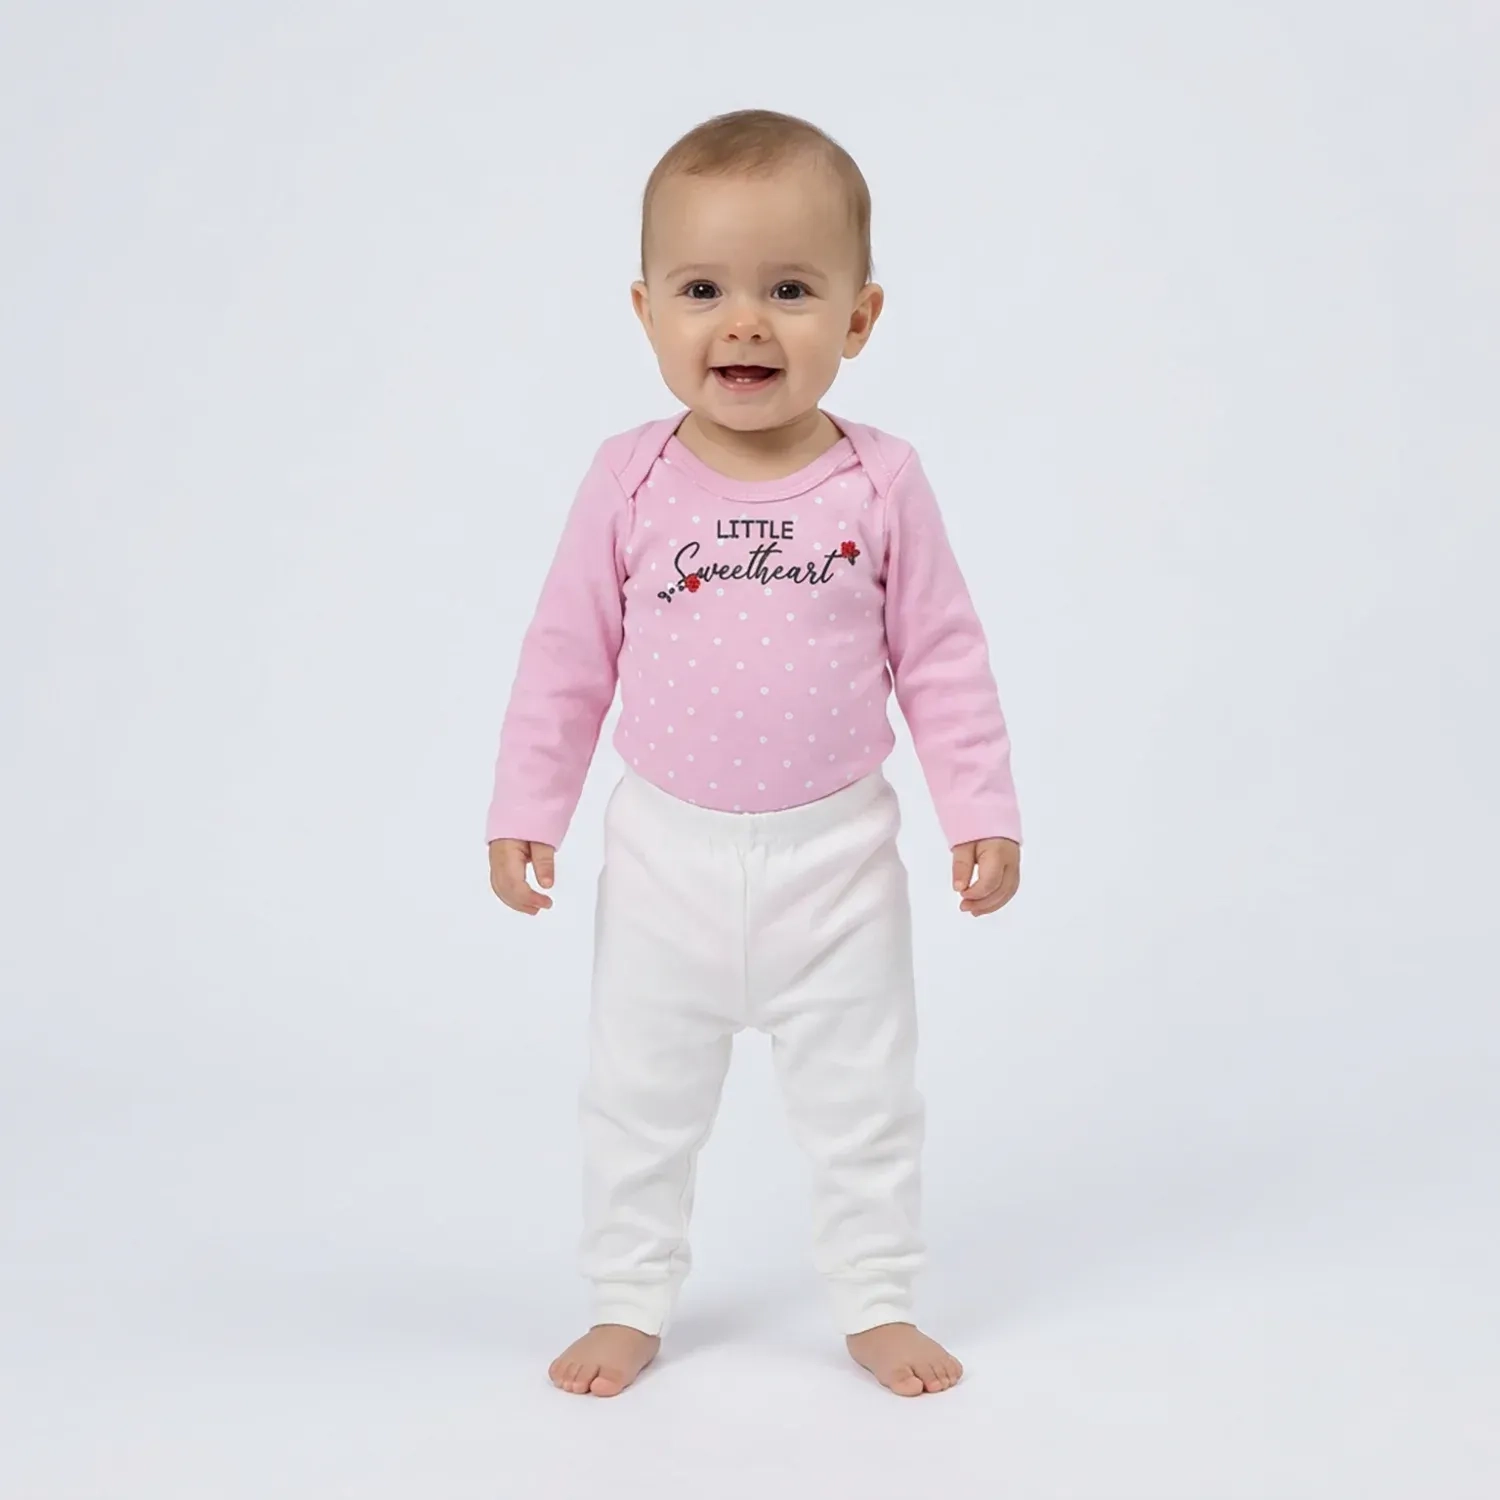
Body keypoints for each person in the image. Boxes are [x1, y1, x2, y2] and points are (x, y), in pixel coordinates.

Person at [486, 108, 1022, 1398]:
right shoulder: (629, 479)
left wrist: (982, 809)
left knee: (864, 1101)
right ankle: (629, 1296)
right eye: (703, 291)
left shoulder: (879, 482)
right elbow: (566, 655)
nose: (745, 325)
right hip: (662, 860)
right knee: (637, 1100)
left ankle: (877, 1296)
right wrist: (526, 808)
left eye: (790, 290)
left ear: (859, 316)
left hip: (837, 865)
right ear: (645, 311)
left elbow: (942, 655)